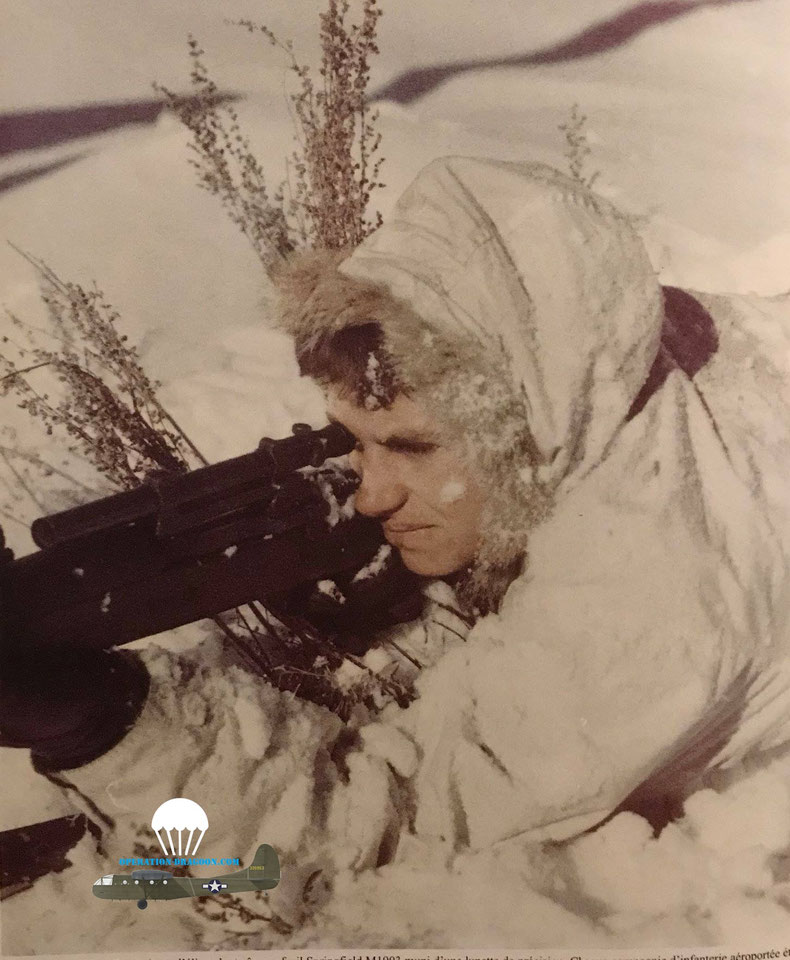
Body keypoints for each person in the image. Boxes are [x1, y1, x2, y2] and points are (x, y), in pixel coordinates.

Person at [2, 156, 789, 949]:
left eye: (412, 448)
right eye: (358, 446)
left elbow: (379, 843)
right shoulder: (594, 351)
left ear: (528, 421)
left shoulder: (654, 598)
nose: (371, 496)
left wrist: (103, 724)